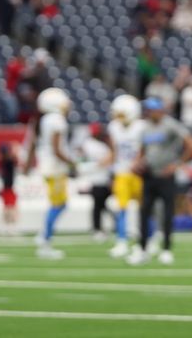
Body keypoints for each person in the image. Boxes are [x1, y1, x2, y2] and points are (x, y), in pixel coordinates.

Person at [128, 97, 192, 265]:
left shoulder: (170, 124)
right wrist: (136, 163)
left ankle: (166, 249)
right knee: (144, 212)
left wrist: (177, 164)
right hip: (149, 175)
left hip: (166, 176)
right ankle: (142, 248)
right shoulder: (145, 128)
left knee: (167, 213)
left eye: (152, 109)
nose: (150, 112)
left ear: (160, 110)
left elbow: (191, 143)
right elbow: (142, 151)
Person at [34, 87, 74, 259]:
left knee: (57, 204)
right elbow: (57, 148)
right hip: (55, 168)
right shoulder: (57, 120)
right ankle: (45, 238)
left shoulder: (46, 119)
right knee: (58, 204)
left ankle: (44, 235)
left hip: (48, 166)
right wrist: (72, 162)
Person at [107, 94, 146, 258]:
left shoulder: (142, 126)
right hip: (122, 171)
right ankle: (122, 241)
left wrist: (139, 163)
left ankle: (149, 239)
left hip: (138, 173)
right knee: (120, 208)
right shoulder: (113, 127)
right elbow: (114, 151)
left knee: (144, 208)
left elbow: (145, 150)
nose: (118, 117)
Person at [78, 122, 113, 242]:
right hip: (95, 178)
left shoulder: (99, 144)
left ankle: (102, 227)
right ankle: (97, 228)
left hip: (104, 177)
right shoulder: (89, 144)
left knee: (101, 204)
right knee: (98, 205)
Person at [0, 143, 18, 234]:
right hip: (7, 188)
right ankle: (9, 227)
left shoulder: (6, 161)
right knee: (9, 208)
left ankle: (9, 227)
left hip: (9, 188)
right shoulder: (6, 161)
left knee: (9, 208)